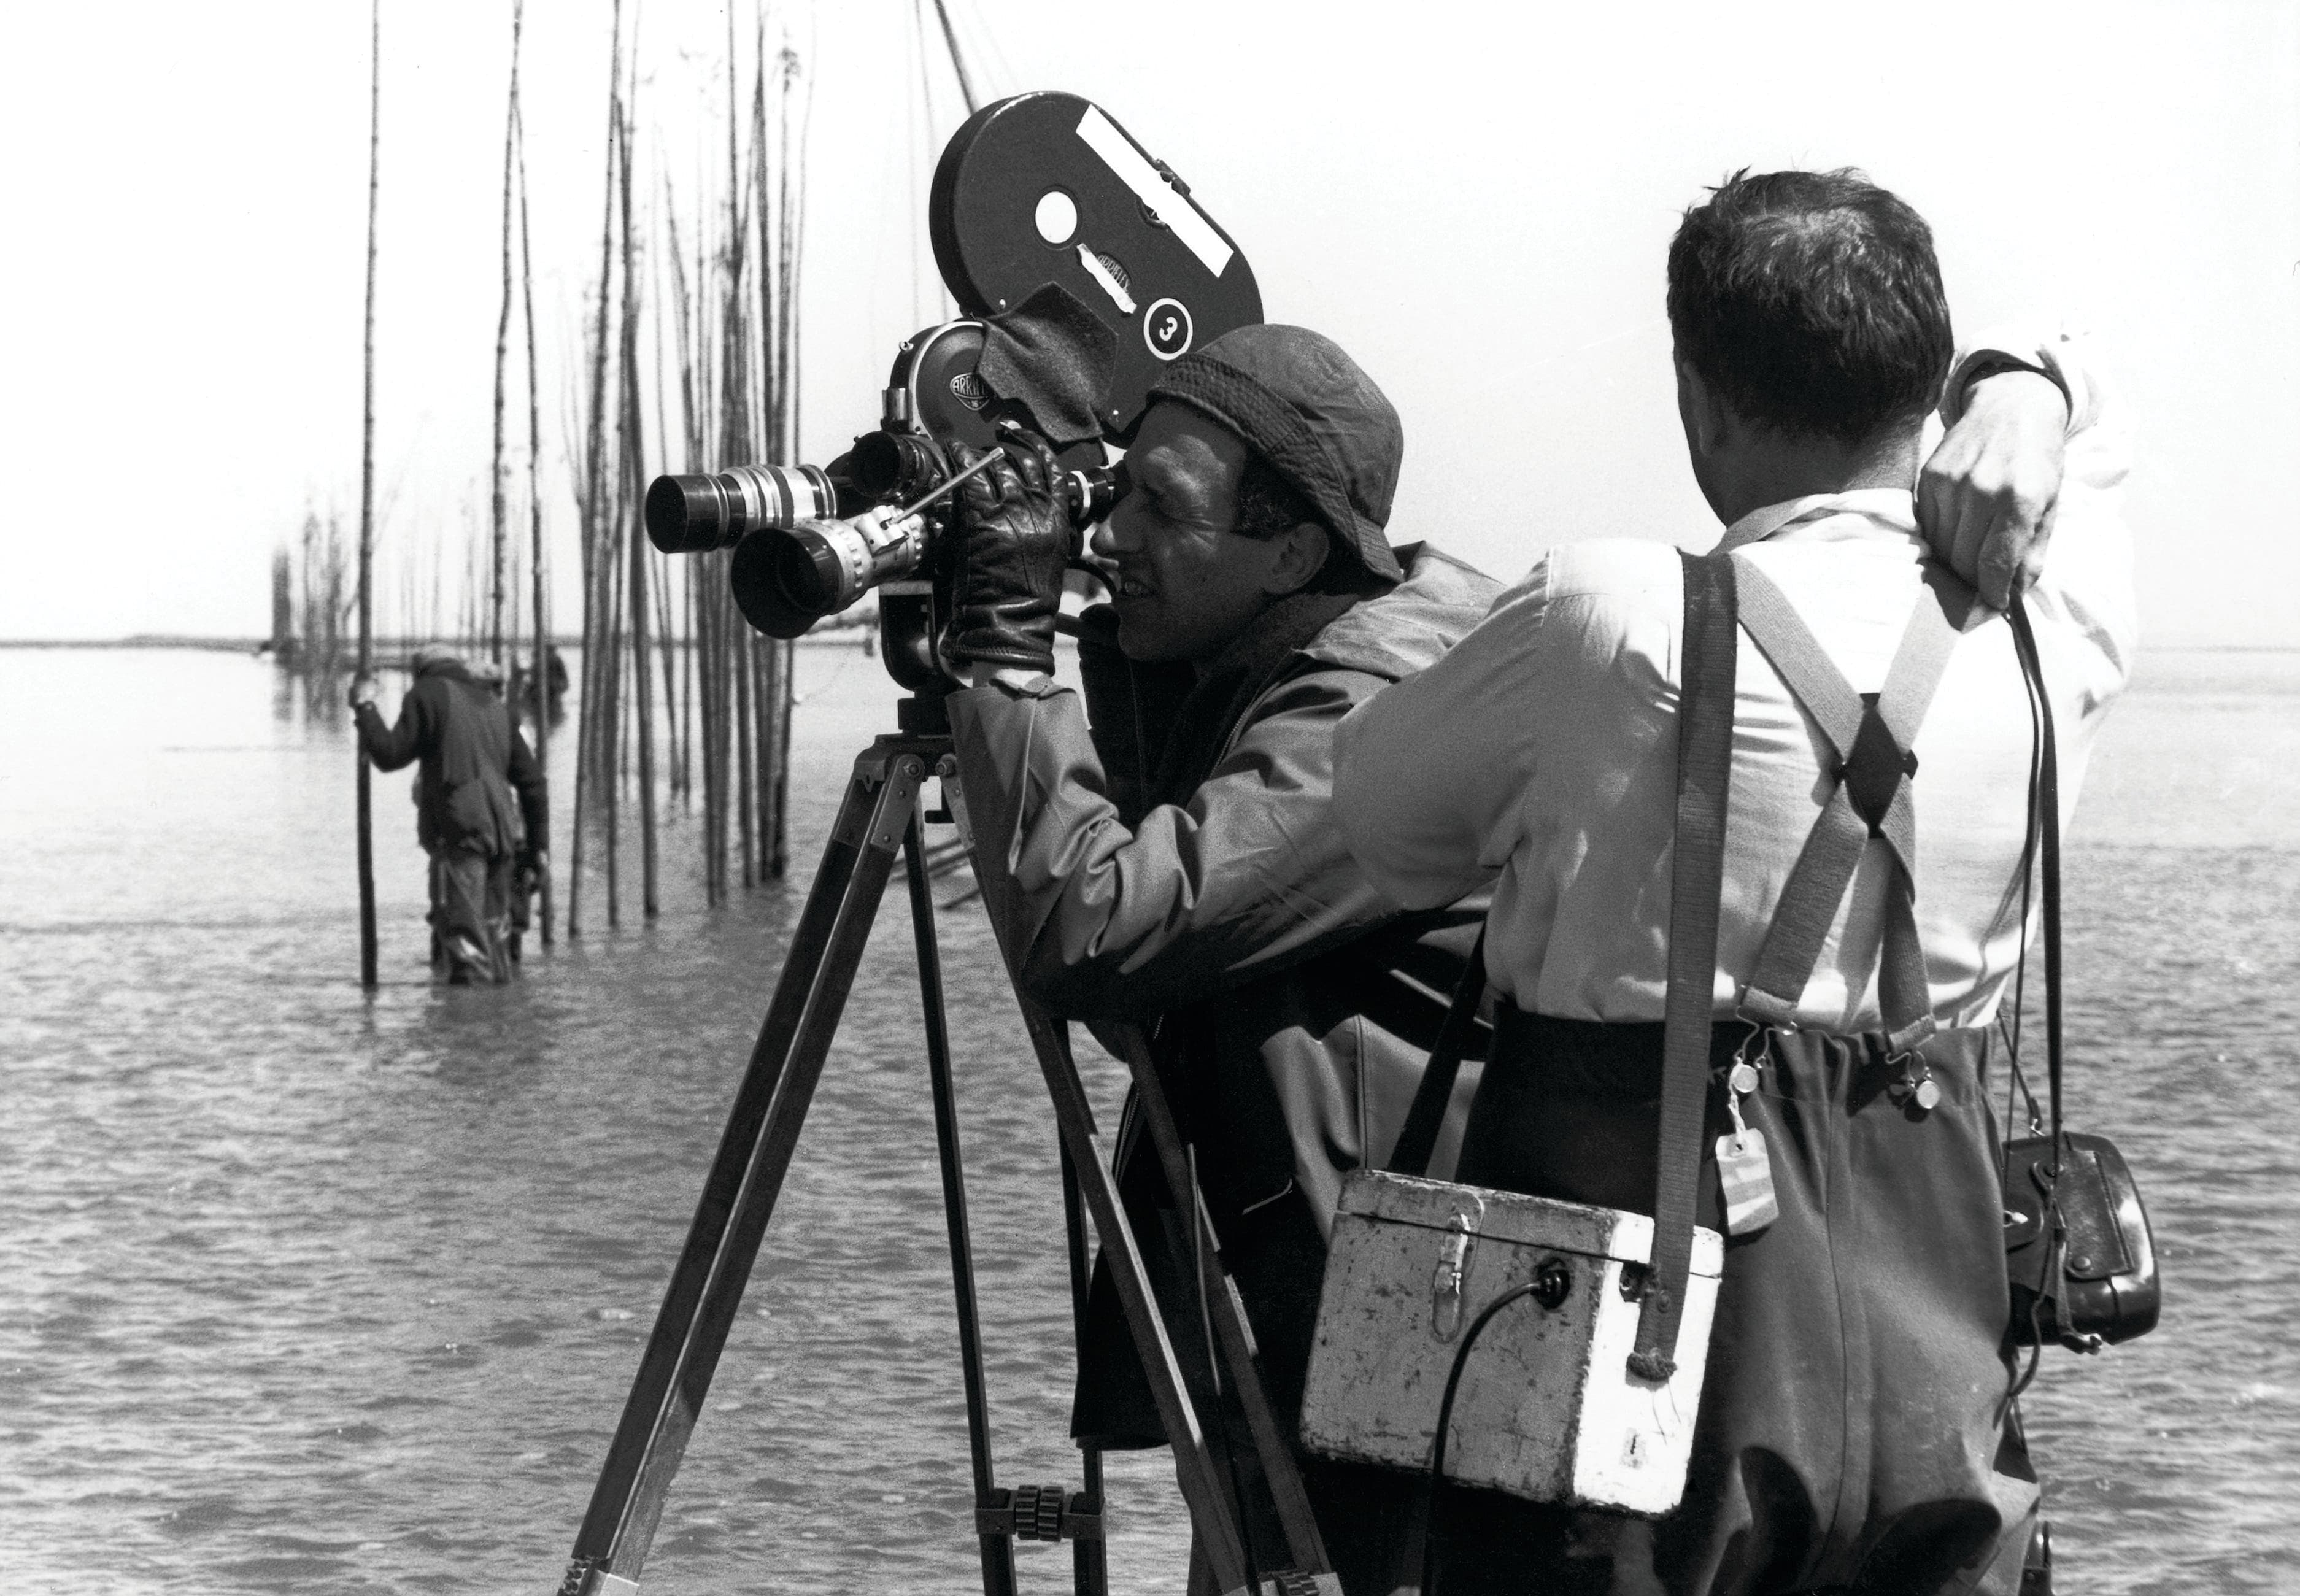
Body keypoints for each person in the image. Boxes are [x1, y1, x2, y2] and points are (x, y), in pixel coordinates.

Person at [943, 309, 2080, 1593]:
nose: (1108, 539)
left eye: (1160, 507)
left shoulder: (1369, 699)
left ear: (1290, 546)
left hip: (1385, 1346)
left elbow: (1102, 927)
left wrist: (1000, 657)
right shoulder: (1328, 655)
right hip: (1355, 1320)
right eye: (1112, 499)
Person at [1332, 169, 2131, 1594]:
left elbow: (1377, 812)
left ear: (1699, 398)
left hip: (1633, 1384)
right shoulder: (2048, 630)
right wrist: (2030, 388)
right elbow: (2086, 425)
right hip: (1932, 1371)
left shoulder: (1611, 608)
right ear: (1928, 387)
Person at [352, 645, 550, 985]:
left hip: (463, 836)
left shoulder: (428, 694)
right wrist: (539, 848)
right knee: (495, 941)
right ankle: (500, 1024)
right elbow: (533, 783)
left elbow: (390, 754)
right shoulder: (496, 707)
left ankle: (465, 1030)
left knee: (467, 947)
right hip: (503, 837)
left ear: (421, 673)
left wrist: (365, 706)